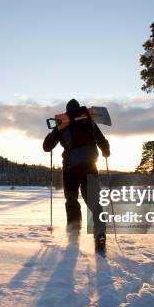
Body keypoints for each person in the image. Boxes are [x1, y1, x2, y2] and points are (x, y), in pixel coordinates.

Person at [43, 99, 110, 252]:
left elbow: (47, 147)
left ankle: (74, 234)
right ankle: (100, 235)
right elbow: (103, 142)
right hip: (91, 168)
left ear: (67, 112)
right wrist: (106, 152)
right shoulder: (89, 121)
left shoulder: (63, 124)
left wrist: (55, 132)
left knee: (72, 201)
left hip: (71, 171)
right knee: (95, 204)